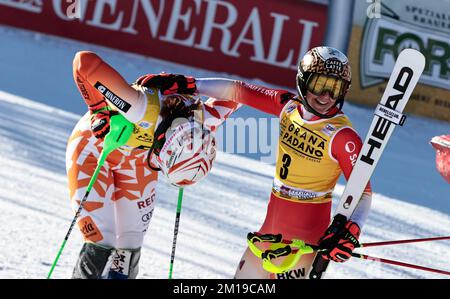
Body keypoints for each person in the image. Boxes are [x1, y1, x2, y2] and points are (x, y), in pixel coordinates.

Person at [150, 46, 373, 279]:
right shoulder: (288, 107)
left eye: (335, 88)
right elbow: (239, 90)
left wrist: (350, 229)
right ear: (304, 81)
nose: (326, 95)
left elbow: (363, 192)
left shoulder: (343, 136)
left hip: (303, 246)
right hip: (268, 235)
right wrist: (187, 83)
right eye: (319, 84)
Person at [67, 51, 239, 279]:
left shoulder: (203, 118)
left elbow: (238, 93)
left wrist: (193, 86)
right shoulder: (138, 107)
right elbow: (84, 62)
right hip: (94, 149)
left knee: (130, 244)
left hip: (139, 160)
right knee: (102, 240)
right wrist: (97, 108)